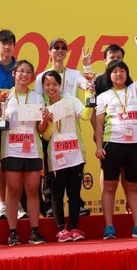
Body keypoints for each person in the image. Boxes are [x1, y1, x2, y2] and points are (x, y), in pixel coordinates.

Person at [95, 37, 137, 239]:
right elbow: (99, 125)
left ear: (127, 73)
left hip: (134, 146)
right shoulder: (103, 97)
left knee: (133, 187)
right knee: (110, 187)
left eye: (122, 70)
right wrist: (99, 146)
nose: (119, 74)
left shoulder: (134, 90)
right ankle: (109, 227)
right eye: (115, 71)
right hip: (113, 145)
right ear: (109, 76)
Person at [34, 38, 91, 218]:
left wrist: (87, 68)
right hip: (50, 128)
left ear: (66, 51)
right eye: (56, 47)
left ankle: (77, 204)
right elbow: (38, 101)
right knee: (51, 170)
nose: (59, 50)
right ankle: (49, 204)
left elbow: (88, 85)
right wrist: (44, 119)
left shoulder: (74, 74)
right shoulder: (41, 77)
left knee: (74, 170)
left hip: (70, 128)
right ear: (49, 51)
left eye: (63, 48)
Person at [39, 70, 92, 242]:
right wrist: (48, 121)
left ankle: (75, 228)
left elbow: (86, 116)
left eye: (55, 84)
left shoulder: (71, 100)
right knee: (57, 195)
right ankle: (61, 229)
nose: (51, 88)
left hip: (75, 155)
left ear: (60, 85)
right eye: (47, 84)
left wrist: (89, 95)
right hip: (56, 157)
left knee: (74, 194)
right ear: (43, 86)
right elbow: (46, 136)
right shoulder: (43, 107)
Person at [0, 60, 46, 245]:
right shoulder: (5, 96)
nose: (24, 75)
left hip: (32, 150)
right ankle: (13, 232)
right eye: (21, 71)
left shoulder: (37, 98)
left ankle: (35, 231)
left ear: (32, 76)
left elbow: (41, 129)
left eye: (28, 72)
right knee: (13, 190)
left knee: (33, 190)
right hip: (11, 150)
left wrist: (44, 119)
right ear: (14, 73)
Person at [0, 30, 27, 220]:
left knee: (19, 162)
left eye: (10, 43)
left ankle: (17, 204)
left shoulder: (21, 67)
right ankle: (2, 205)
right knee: (1, 163)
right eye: (3, 43)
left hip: (20, 121)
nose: (7, 46)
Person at [91, 44, 132, 214]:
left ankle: (130, 203)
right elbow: (93, 110)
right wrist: (97, 133)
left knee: (126, 170)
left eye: (119, 58)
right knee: (106, 170)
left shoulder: (127, 80)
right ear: (104, 60)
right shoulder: (98, 81)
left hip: (126, 136)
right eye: (112, 58)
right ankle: (108, 205)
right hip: (107, 135)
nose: (115, 61)